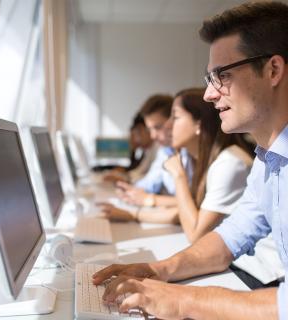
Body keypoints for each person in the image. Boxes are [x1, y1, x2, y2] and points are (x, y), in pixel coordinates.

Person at [92, 2, 288, 319]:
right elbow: (231, 236)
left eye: (222, 76)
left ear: (273, 70)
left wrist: (184, 300)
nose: (209, 94)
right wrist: (158, 270)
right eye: (209, 78)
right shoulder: (269, 159)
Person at [99, 88, 253, 240]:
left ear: (199, 124)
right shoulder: (200, 159)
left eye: (175, 117)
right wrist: (132, 215)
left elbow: (195, 234)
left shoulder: (229, 163)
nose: (167, 126)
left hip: (245, 264)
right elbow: (186, 211)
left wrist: (178, 175)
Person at [103, 112, 157, 183]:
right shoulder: (148, 150)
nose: (137, 137)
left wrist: (124, 178)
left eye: (139, 132)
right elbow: (139, 171)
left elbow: (146, 176)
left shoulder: (156, 148)